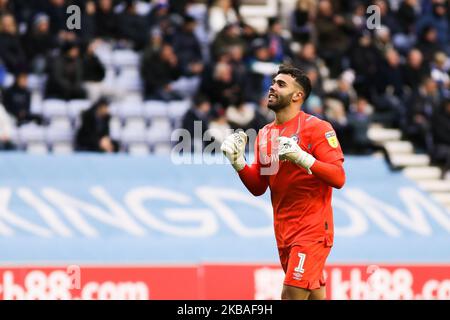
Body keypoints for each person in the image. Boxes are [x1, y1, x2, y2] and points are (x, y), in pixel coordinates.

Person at [220, 65, 345, 300]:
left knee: (290, 296)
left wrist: (303, 158)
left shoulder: (317, 128)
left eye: (281, 84)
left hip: (312, 230)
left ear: (298, 96)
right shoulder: (266, 134)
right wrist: (238, 162)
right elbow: (258, 186)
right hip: (284, 231)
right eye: (273, 82)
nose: (272, 87)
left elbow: (338, 177)